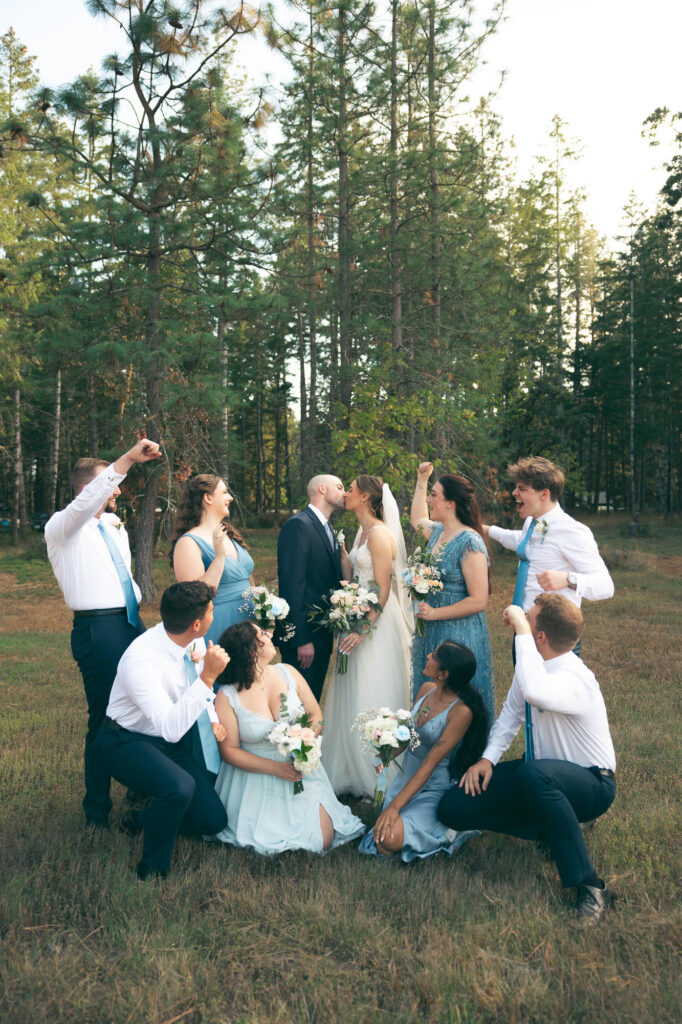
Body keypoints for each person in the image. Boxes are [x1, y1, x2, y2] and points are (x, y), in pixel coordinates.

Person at [437, 594, 617, 924]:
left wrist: (520, 626)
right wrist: (487, 761)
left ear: (540, 637)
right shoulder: (534, 668)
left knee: (534, 775)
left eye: (529, 619)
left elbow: (535, 691)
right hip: (540, 774)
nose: (522, 618)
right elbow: (511, 715)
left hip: (592, 783)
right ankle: (554, 827)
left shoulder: (575, 678)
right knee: (454, 807)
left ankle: (590, 887)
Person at [44, 436, 161, 829]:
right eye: (108, 485)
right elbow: (88, 503)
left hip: (130, 622)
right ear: (86, 491)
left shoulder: (111, 526)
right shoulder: (62, 527)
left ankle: (139, 784)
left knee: (144, 705)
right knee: (104, 717)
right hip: (98, 629)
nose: (117, 491)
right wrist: (128, 457)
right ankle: (96, 810)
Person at [96, 582, 229, 880]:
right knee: (179, 787)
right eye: (210, 612)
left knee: (213, 820)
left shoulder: (190, 638)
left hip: (164, 738)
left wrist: (211, 715)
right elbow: (170, 728)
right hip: (123, 740)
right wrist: (208, 676)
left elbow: (189, 686)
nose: (212, 616)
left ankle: (143, 819)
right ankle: (152, 870)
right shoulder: (141, 661)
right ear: (196, 624)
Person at [211, 621, 365, 855]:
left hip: (299, 766)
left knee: (322, 839)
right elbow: (229, 751)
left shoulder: (288, 672)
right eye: (262, 633)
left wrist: (304, 742)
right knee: (271, 839)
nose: (270, 634)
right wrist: (275, 768)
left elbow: (315, 716)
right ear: (251, 650)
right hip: (256, 774)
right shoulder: (227, 696)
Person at [322, 476, 412, 798]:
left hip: (375, 626)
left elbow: (384, 591)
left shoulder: (379, 535)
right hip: (356, 617)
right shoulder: (362, 532)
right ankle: (347, 762)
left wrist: (362, 630)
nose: (346, 494)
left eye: (352, 490)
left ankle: (376, 766)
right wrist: (345, 552)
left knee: (371, 684)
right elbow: (353, 578)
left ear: (366, 497)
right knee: (351, 685)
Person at [359, 641, 489, 862]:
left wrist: (394, 808)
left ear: (444, 674)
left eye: (435, 655)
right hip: (407, 778)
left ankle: (447, 834)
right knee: (384, 840)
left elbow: (429, 765)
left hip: (433, 787)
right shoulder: (427, 690)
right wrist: (386, 748)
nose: (428, 655)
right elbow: (410, 735)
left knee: (386, 839)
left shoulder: (461, 712)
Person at [483, 457, 613, 648]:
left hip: (554, 637)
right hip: (525, 629)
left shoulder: (572, 531)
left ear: (544, 494)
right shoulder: (532, 522)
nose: (514, 493)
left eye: (522, 489)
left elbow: (606, 586)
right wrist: (484, 529)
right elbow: (521, 541)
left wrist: (569, 579)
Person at [410, 462, 495, 722]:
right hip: (431, 631)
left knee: (457, 699)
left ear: (450, 503)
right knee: (431, 693)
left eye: (434, 495)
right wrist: (422, 480)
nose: (429, 499)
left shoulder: (470, 541)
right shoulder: (437, 533)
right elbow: (416, 519)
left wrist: (436, 613)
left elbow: (479, 600)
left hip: (459, 632)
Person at [276, 474, 346, 700]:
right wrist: (301, 639)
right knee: (299, 707)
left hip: (322, 635)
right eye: (340, 487)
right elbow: (291, 585)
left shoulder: (327, 529)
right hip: (305, 638)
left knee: (312, 700)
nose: (344, 492)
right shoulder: (299, 525)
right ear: (322, 489)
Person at [171, 474, 254, 645]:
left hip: (248, 625)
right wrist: (220, 557)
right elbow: (194, 600)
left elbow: (248, 580)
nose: (230, 497)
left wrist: (265, 609)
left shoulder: (229, 535)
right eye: (224, 493)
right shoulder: (189, 542)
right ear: (208, 498)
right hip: (218, 627)